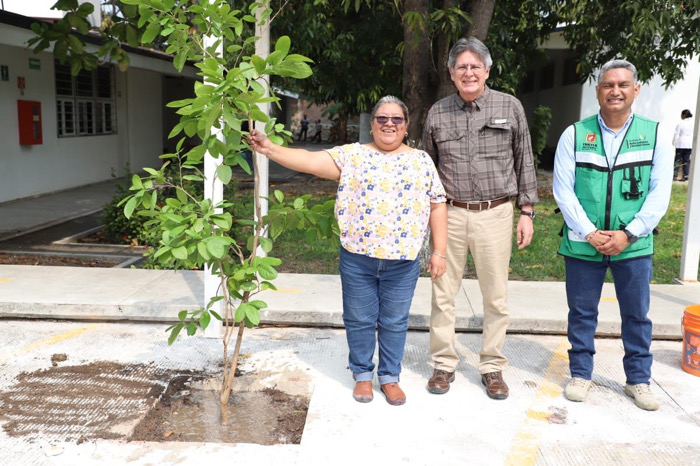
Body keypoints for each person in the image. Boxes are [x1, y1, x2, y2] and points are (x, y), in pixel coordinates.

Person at [248, 95, 448, 406]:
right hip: (358, 257)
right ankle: (363, 376)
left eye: (397, 119)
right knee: (359, 319)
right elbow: (309, 161)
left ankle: (390, 377)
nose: (389, 124)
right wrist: (270, 148)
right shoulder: (353, 156)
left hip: (402, 261)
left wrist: (439, 251)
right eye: (382, 118)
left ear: (406, 126)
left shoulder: (421, 161)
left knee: (395, 321)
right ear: (373, 125)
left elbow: (437, 204)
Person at [552, 59, 673, 411]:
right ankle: (580, 374)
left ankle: (638, 379)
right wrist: (589, 232)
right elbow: (563, 189)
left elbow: (659, 193)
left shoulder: (655, 136)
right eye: (608, 85)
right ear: (598, 91)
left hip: (633, 245)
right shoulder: (575, 134)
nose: (615, 91)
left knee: (636, 314)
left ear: (636, 90)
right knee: (582, 312)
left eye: (623, 84)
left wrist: (628, 234)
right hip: (583, 242)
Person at [422, 37, 538, 400]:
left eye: (475, 66)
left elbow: (525, 159)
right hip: (450, 214)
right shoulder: (437, 112)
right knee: (443, 293)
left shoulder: (510, 106)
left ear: (487, 70)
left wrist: (527, 211)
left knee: (495, 296)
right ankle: (443, 363)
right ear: (452, 74)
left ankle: (492, 367)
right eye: (461, 67)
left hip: (497, 214)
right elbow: (427, 167)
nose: (468, 72)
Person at [673, 109, 694, 181]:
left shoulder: (680, 123)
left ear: (684, 115)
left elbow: (677, 134)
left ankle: (675, 175)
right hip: (689, 144)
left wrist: (674, 143)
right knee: (686, 160)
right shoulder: (692, 123)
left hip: (681, 143)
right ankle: (685, 176)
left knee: (678, 159)